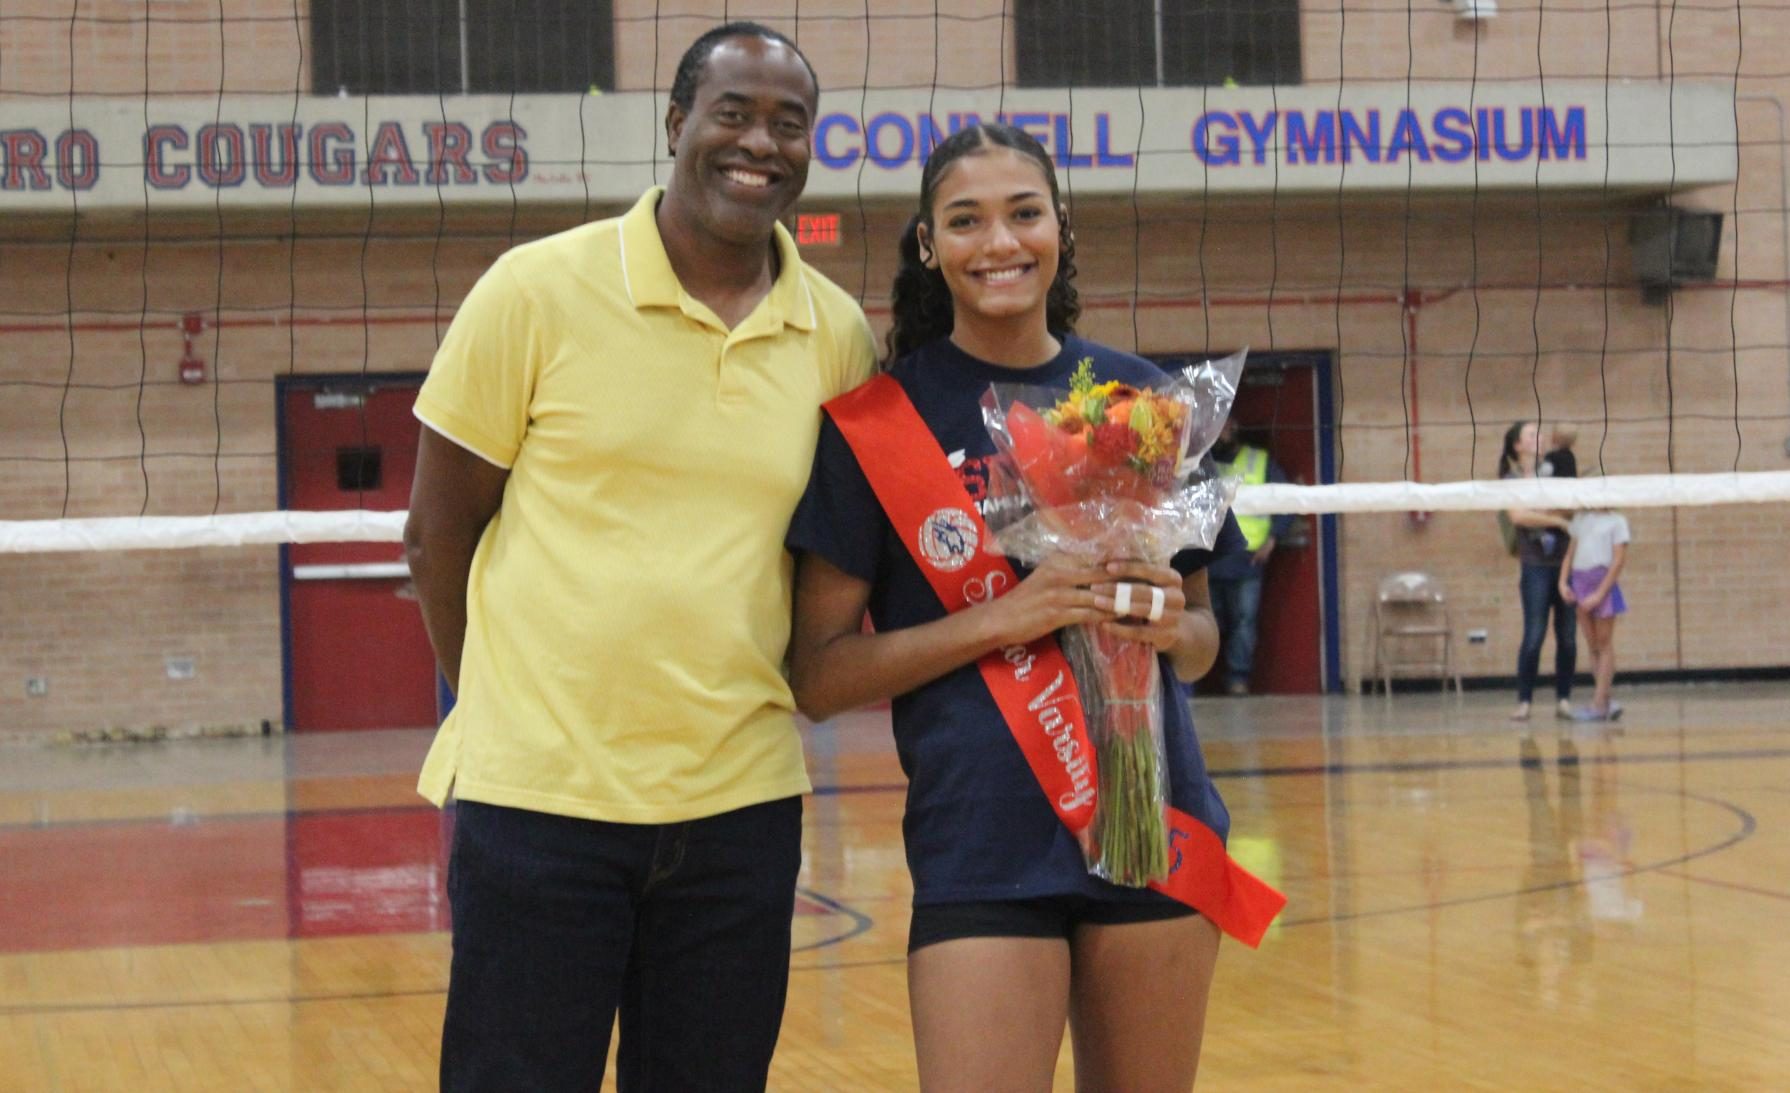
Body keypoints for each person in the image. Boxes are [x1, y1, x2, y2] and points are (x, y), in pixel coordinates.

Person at [402, 23, 875, 1091]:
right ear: (674, 126)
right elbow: (436, 533)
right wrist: (510, 703)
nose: (760, 141)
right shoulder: (534, 289)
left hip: (738, 809)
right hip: (540, 803)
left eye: (787, 123)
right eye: (733, 113)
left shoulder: (837, 335)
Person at [786, 123, 1276, 1093]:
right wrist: (1000, 619)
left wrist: (1164, 625)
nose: (998, 242)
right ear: (929, 246)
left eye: (1022, 213)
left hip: (1153, 830)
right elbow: (817, 676)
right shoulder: (878, 421)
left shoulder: (1137, 400)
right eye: (964, 221)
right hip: (980, 840)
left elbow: (1201, 646)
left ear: (1060, 227)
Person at [1208, 415, 1294, 695]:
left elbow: (1286, 499)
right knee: (1209, 622)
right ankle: (1200, 683)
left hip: (1247, 561)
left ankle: (1237, 680)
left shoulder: (1258, 461)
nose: (1226, 430)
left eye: (1229, 424)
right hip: (1209, 561)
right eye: (1219, 425)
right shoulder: (1201, 461)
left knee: (1244, 623)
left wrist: (1273, 538)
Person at [1499, 421, 1577, 723]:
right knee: (1534, 634)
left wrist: (1540, 513)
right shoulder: (1511, 478)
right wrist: (1554, 519)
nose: (1539, 437)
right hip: (1535, 566)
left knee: (1568, 636)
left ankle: (1564, 700)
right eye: (1532, 434)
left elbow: (1571, 506)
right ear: (1518, 445)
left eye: (1540, 433)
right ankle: (1524, 701)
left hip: (1565, 561)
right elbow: (1518, 516)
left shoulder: (1558, 466)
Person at [1559, 506, 1629, 722]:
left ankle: (1599, 703)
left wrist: (1600, 594)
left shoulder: (1617, 521)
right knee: (1593, 645)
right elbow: (1570, 554)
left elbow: (1618, 561)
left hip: (1602, 581)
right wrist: (1563, 583)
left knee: (1604, 642)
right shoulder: (1580, 519)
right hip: (1581, 581)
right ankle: (1605, 701)